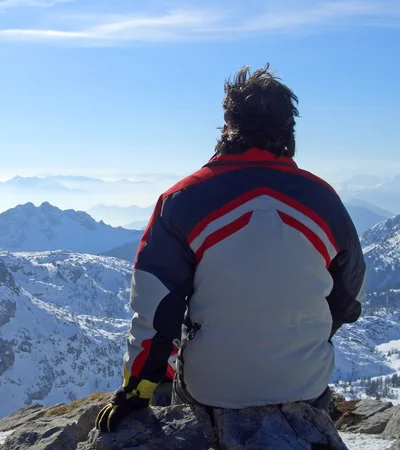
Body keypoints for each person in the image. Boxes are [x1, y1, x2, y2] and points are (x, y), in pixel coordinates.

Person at [95, 64, 366, 433]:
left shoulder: (181, 200)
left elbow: (156, 309)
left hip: (212, 386)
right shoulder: (324, 200)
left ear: (227, 126)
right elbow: (350, 296)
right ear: (290, 130)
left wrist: (137, 388)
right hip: (305, 381)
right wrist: (299, 330)